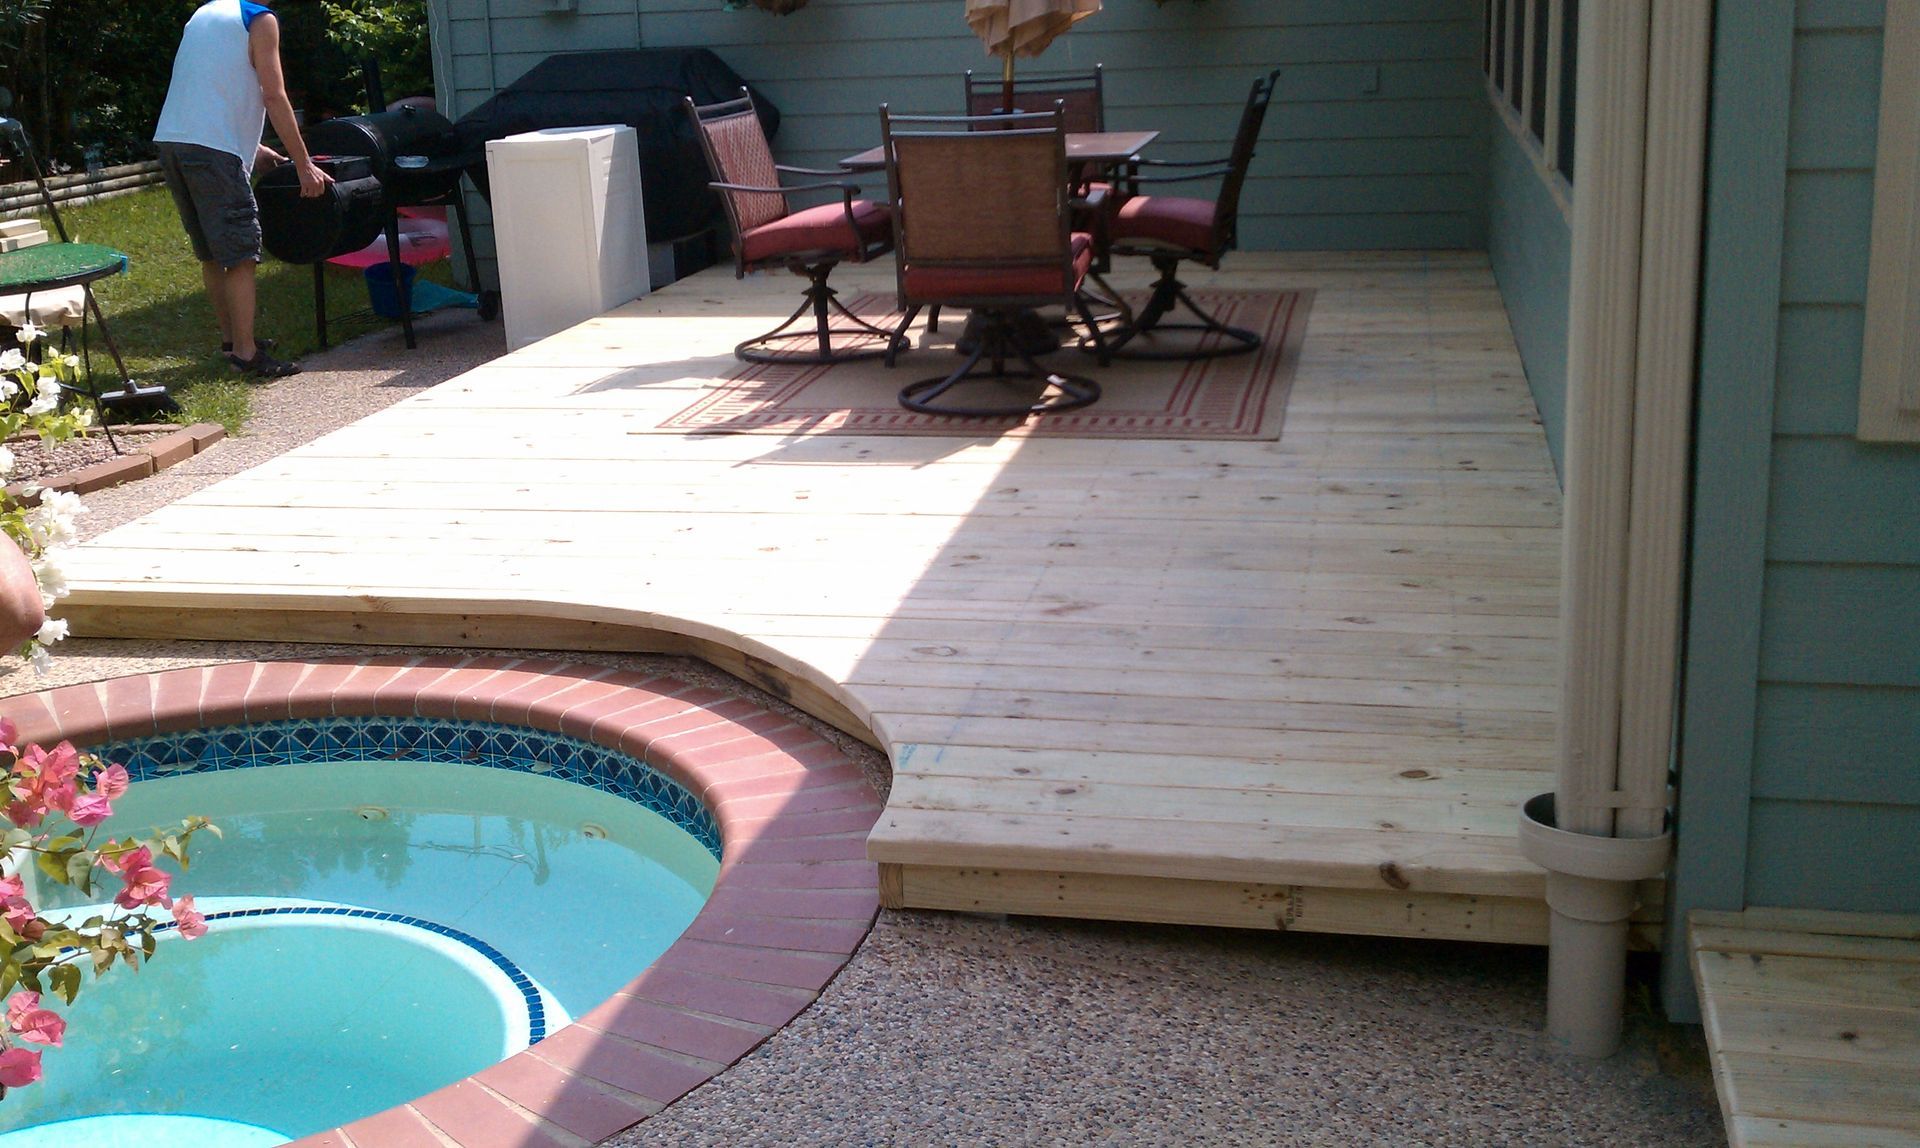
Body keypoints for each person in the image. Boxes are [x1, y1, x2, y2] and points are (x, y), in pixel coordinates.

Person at [154, 0, 330, 379]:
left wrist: (256, 149)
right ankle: (246, 354)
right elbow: (274, 95)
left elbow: (209, 89)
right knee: (240, 253)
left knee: (214, 253)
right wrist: (304, 164)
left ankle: (232, 340)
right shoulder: (260, 19)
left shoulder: (206, 13)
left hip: (173, 142)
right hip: (212, 151)